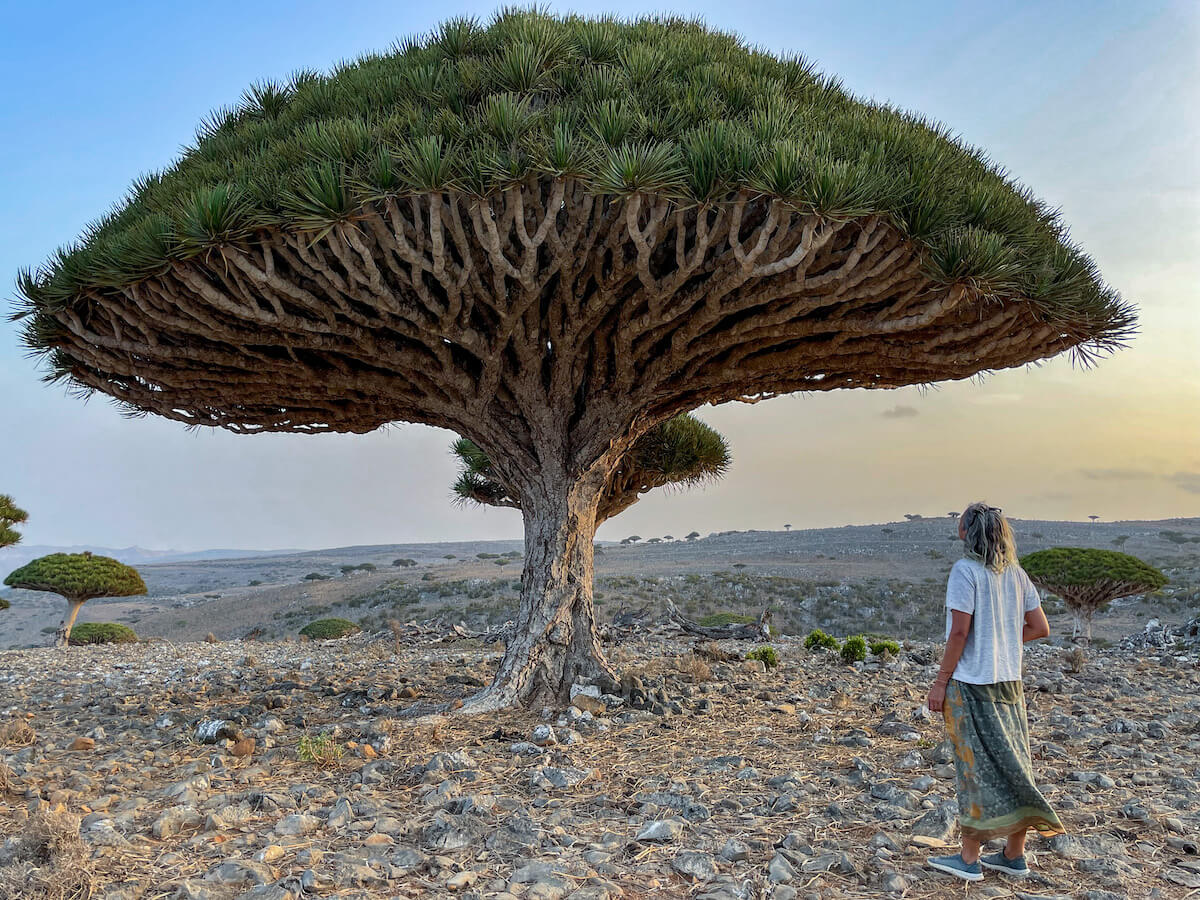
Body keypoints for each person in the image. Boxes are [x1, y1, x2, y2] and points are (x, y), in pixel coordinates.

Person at [924, 502, 1065, 882]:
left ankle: (969, 859)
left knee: (975, 769)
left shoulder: (965, 571)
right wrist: (1003, 642)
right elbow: (1039, 627)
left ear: (966, 532)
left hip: (971, 684)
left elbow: (958, 633)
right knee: (1014, 764)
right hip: (1010, 685)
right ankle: (1013, 854)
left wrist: (940, 682)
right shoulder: (1017, 575)